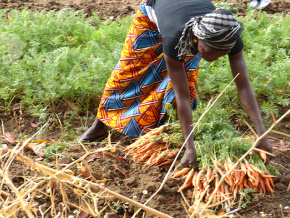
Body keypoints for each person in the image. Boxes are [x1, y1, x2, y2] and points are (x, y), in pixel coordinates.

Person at [78, 0, 272, 169]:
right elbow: (183, 98)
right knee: (127, 74)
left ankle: (157, 129)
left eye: (218, 56)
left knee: (179, 84)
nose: (210, 59)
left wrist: (262, 134)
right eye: (207, 52)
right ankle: (100, 125)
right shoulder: (176, 37)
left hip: (186, 20)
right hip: (154, 14)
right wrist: (191, 148)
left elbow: (243, 86)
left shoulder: (229, 38)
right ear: (197, 38)